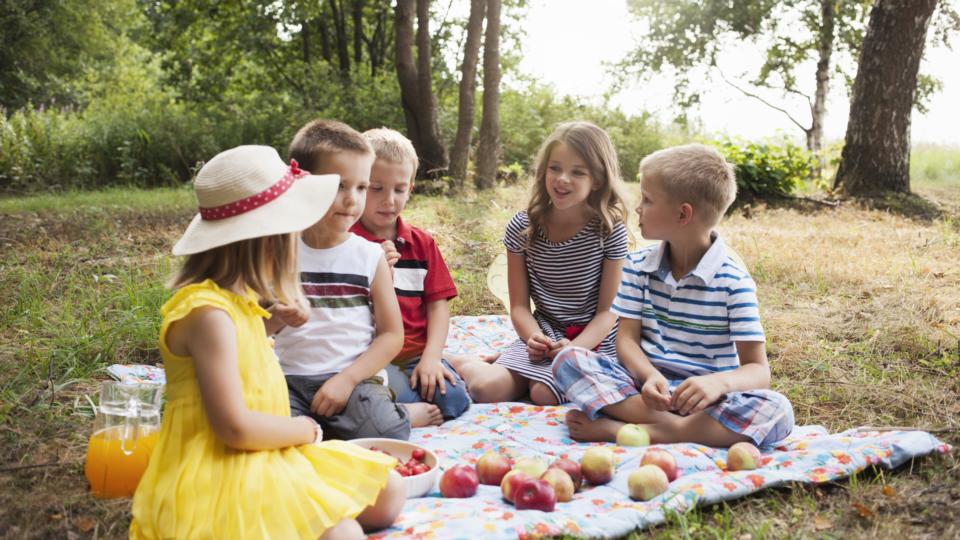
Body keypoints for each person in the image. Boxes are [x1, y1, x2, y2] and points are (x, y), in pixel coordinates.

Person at [131, 145, 405, 540]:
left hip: (267, 453)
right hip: (224, 466)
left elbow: (239, 353)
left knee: (390, 488)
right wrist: (305, 430)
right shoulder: (208, 313)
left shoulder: (237, 302)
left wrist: (272, 322)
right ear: (267, 239)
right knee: (343, 532)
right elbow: (235, 429)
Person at [552, 143, 795, 447]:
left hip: (707, 401)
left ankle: (634, 430)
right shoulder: (638, 266)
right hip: (645, 391)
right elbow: (625, 339)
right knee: (568, 359)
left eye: (648, 200)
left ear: (683, 214)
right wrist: (649, 375)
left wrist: (718, 383)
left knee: (779, 411)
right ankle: (683, 430)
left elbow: (758, 370)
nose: (638, 208)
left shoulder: (734, 282)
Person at [272, 119, 442, 439]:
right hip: (288, 379)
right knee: (267, 436)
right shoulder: (278, 253)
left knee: (386, 431)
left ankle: (393, 413)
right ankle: (318, 428)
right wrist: (276, 317)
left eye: (361, 187)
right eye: (339, 186)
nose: (353, 199)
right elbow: (253, 328)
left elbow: (392, 335)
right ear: (302, 183)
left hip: (353, 379)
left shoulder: (369, 256)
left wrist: (347, 380)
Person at [448, 121, 631, 405]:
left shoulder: (609, 231)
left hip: (594, 340)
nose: (562, 179)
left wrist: (571, 350)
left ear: (597, 180)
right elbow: (520, 306)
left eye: (577, 172)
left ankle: (525, 371)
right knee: (486, 389)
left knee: (543, 394)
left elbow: (607, 313)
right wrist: (534, 338)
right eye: (554, 168)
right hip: (543, 332)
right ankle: (462, 362)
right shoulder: (523, 228)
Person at [349, 128, 471, 420]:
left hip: (416, 353)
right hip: (368, 355)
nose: (389, 200)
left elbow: (437, 305)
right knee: (399, 394)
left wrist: (431, 358)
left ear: (411, 188)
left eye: (399, 189)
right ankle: (395, 411)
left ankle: (402, 401)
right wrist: (378, 271)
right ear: (358, 186)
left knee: (455, 401)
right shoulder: (347, 242)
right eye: (376, 188)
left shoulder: (421, 243)